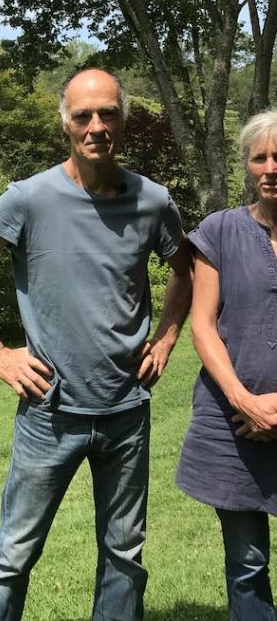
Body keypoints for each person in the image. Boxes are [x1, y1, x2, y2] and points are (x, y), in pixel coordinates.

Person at [0, 68, 192, 621]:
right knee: (14, 555)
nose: (96, 126)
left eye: (108, 114)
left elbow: (184, 273)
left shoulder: (152, 201)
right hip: (49, 413)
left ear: (123, 119)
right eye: (83, 116)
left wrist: (167, 339)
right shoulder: (28, 199)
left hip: (127, 412)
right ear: (66, 123)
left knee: (124, 555)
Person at [176, 109, 277, 621]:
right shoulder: (218, 231)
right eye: (259, 157)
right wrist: (244, 401)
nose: (270, 167)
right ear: (246, 166)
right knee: (247, 561)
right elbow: (202, 324)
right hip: (231, 426)